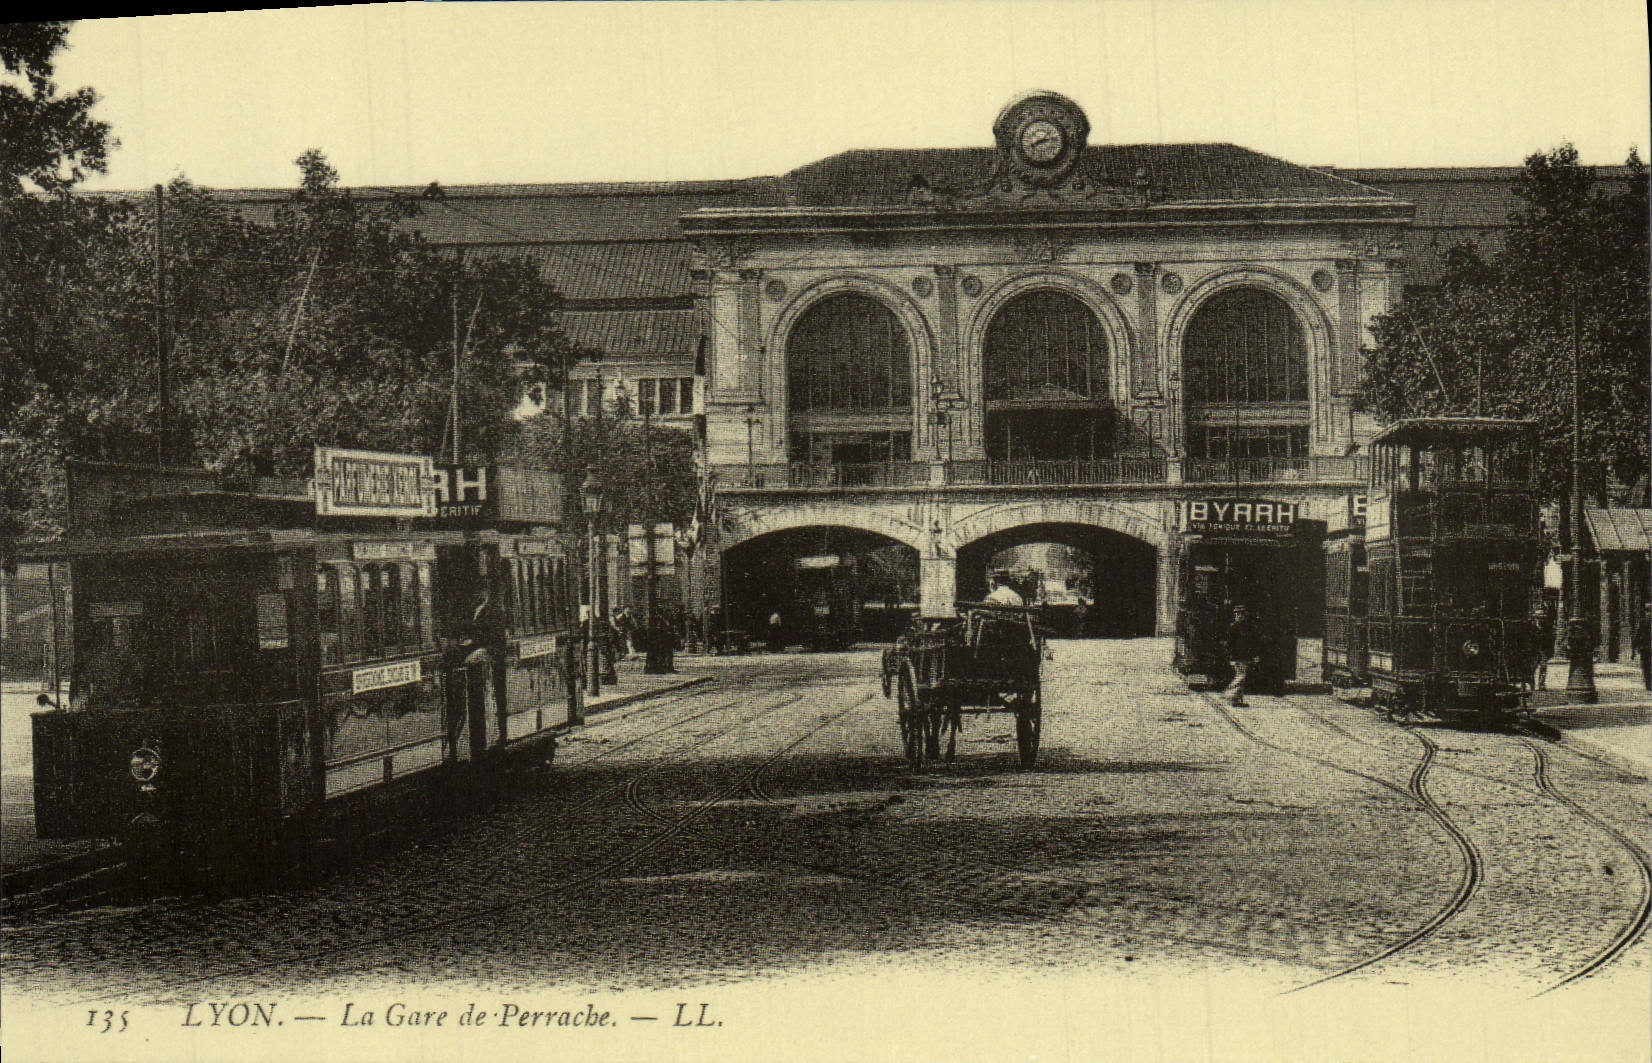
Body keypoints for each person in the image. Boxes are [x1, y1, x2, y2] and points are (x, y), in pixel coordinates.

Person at [1224, 604, 1259, 707]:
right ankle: (1230, 694)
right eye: (1237, 614)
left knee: (1241, 678)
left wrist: (1253, 655)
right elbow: (1229, 644)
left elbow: (1251, 643)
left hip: (1245, 656)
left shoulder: (1247, 627)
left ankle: (1237, 700)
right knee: (1241, 677)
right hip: (1237, 657)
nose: (1239, 616)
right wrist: (1230, 656)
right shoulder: (1233, 627)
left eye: (1241, 614)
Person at [1533, 595, 1557, 691]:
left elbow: (1548, 638)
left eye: (1542, 617)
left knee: (1543, 666)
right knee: (1533, 668)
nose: (1541, 619)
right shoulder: (1532, 627)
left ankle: (1541, 684)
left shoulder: (1546, 627)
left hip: (1542, 649)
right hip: (1533, 649)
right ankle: (1532, 684)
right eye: (1539, 617)